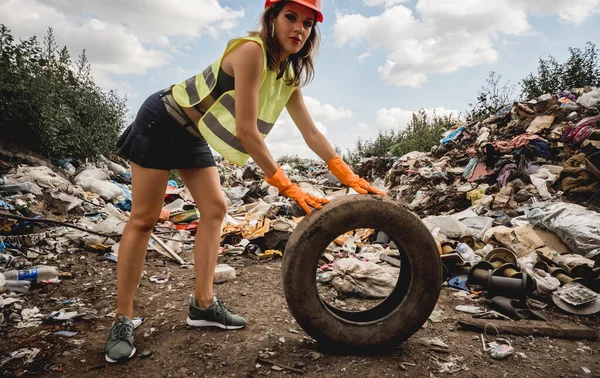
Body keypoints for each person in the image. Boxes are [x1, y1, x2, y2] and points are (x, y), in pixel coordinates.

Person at [105, 0, 386, 363]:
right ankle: (122, 318)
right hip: (162, 119)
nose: (299, 29)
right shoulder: (252, 51)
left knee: (215, 208)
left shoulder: (286, 74)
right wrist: (286, 184)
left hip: (193, 132)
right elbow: (247, 131)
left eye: (307, 23)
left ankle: (203, 305)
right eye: (290, 17)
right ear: (271, 18)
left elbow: (311, 132)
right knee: (143, 219)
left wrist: (345, 172)